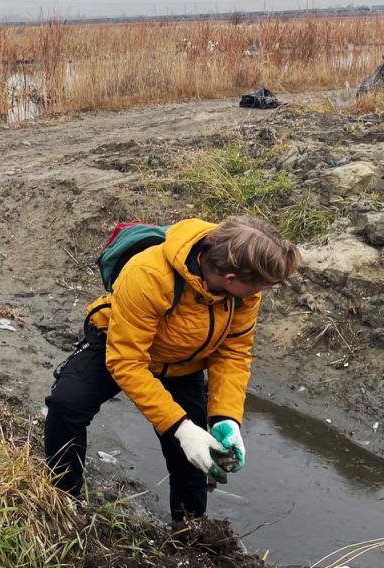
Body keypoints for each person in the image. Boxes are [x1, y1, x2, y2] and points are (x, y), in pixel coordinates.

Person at [44, 215, 300, 521]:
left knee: (194, 458)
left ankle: (191, 532)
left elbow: (233, 352)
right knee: (66, 404)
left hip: (183, 363)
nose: (260, 292)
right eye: (260, 286)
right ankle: (64, 500)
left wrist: (226, 418)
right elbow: (127, 362)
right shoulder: (147, 274)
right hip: (123, 345)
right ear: (231, 278)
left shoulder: (245, 291)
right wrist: (180, 427)